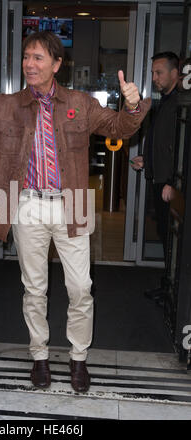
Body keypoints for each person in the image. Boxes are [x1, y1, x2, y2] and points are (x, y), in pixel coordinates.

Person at [0, 31, 150, 392]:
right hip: (24, 203)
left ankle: (78, 358)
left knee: (81, 287)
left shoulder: (80, 103)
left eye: (38, 58)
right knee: (34, 288)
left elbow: (119, 127)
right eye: (26, 57)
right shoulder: (7, 104)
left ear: (56, 64)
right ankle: (39, 356)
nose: (29, 64)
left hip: (74, 202)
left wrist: (132, 106)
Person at [130, 52, 179, 304]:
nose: (154, 78)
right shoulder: (166, 102)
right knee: (164, 233)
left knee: (172, 238)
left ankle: (173, 291)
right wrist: (146, 161)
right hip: (159, 179)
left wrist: (173, 182)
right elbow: (163, 145)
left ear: (174, 73)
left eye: (159, 72)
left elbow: (181, 149)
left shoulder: (180, 104)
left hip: (168, 185)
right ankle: (168, 286)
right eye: (152, 73)